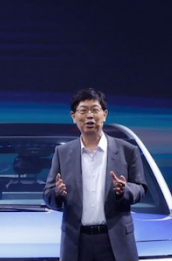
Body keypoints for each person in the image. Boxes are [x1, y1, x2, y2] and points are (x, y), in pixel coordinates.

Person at [43, 88, 146, 261]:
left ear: (104, 114)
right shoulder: (62, 153)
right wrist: (58, 193)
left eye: (95, 110)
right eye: (83, 110)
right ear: (73, 116)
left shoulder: (127, 151)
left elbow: (141, 188)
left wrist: (125, 190)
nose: (90, 116)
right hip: (77, 242)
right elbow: (48, 194)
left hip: (115, 242)